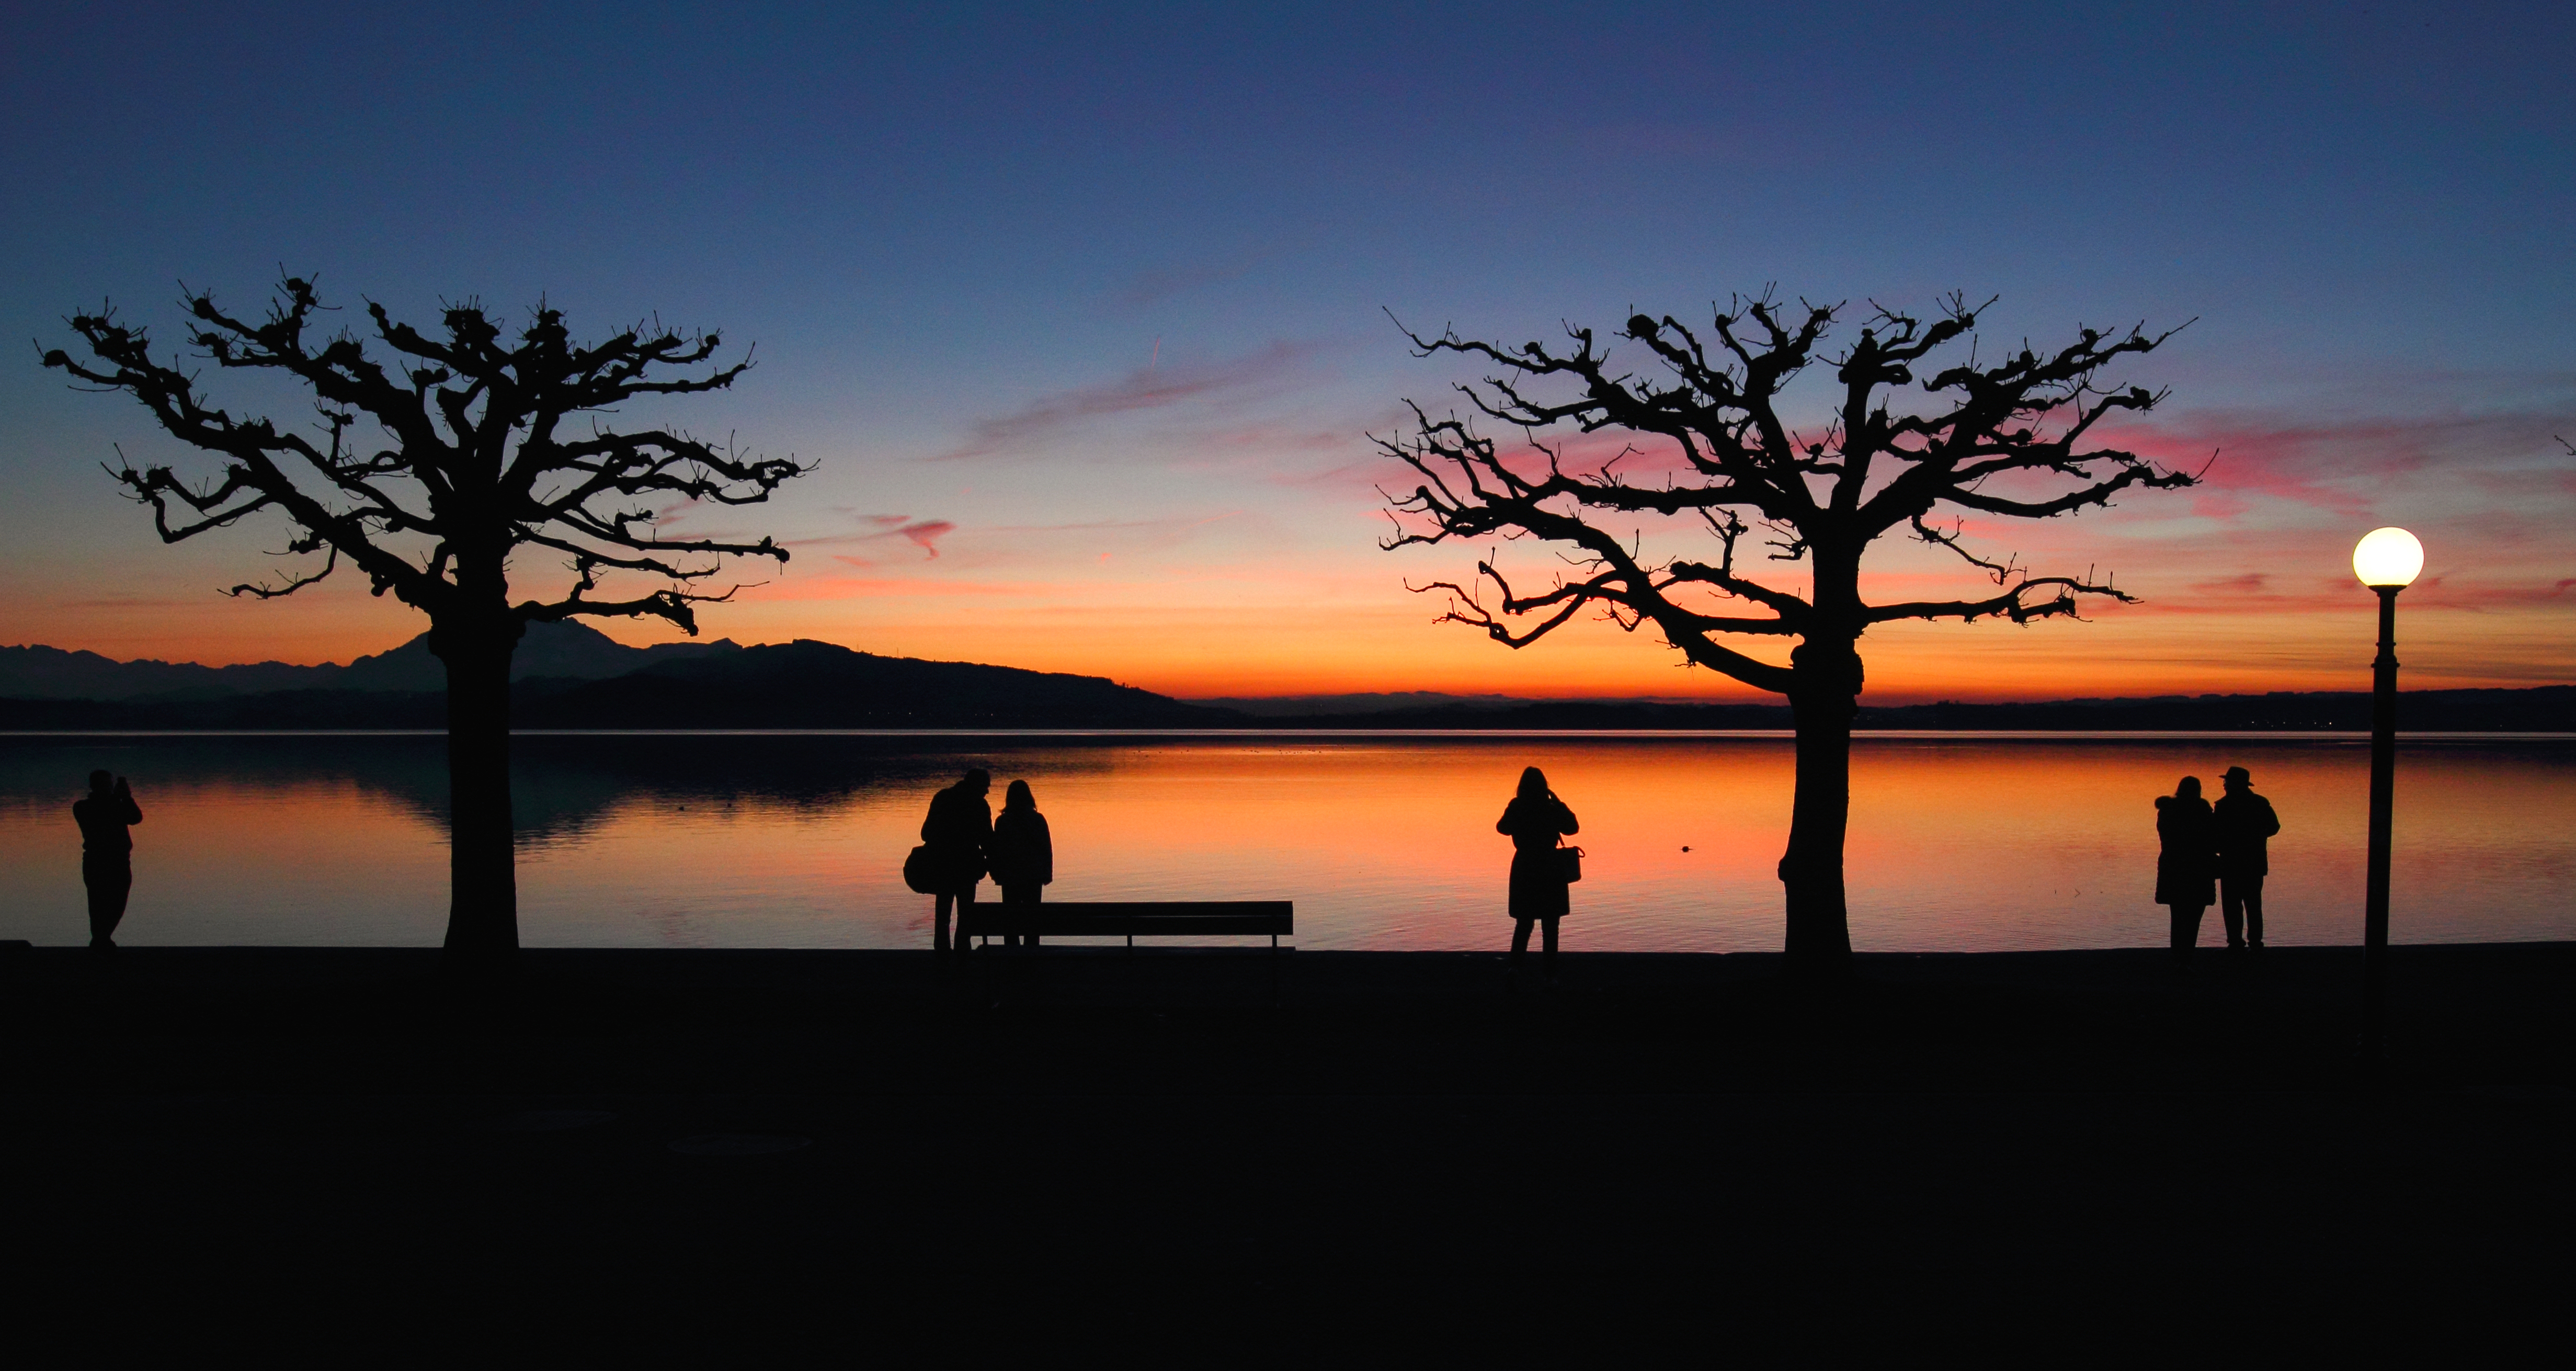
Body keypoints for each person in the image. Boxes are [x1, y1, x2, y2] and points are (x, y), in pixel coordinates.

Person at [1497, 766, 1579, 977]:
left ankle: (1515, 969)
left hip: (1525, 867)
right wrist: (1558, 802)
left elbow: (1502, 828)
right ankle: (1549, 974)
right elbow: (1572, 828)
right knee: (1551, 925)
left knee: (1524, 923)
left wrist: (1516, 810)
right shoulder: (1551, 808)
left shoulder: (1518, 807)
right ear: (1545, 787)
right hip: (1550, 867)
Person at [919, 768, 993, 953]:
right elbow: (987, 842)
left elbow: (925, 833)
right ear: (976, 785)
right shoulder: (980, 806)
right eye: (985, 787)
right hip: (967, 869)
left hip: (943, 867)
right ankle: (962, 955)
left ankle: (942, 955)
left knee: (943, 916)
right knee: (965, 916)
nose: (987, 791)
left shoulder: (942, 798)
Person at [2212, 765, 2281, 950]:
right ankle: (2255, 943)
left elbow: (2215, 833)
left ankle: (2236, 943)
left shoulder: (2223, 806)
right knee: (2253, 904)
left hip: (2231, 863)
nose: (2224, 785)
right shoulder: (2260, 803)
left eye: (2226, 782)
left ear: (2234, 784)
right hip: (2254, 862)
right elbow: (2274, 827)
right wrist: (2258, 837)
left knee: (2232, 905)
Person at [73, 770, 143, 950]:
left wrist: (125, 798)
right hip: (97, 862)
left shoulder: (115, 804)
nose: (108, 788)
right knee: (98, 904)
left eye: (109, 784)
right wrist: (123, 798)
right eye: (105, 784)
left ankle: (101, 940)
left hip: (119, 861)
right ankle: (101, 941)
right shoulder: (83, 807)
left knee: (118, 902)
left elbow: (136, 818)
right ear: (94, 786)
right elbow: (115, 815)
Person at [2154, 775, 2216, 960]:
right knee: (2194, 916)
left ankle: (2178, 956)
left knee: (2178, 915)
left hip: (2174, 867)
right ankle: (2187, 955)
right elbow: (2212, 838)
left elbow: (2166, 837)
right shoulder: (2203, 810)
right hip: (2199, 868)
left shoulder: (2167, 810)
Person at [988, 779, 1054, 948]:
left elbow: (998, 850)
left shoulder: (1003, 821)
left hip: (1010, 876)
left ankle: (1012, 954)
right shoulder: (1038, 819)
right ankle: (1031, 953)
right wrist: (1047, 873)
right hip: (1034, 875)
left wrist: (997, 873)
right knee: (1032, 919)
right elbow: (1046, 848)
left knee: (1011, 919)